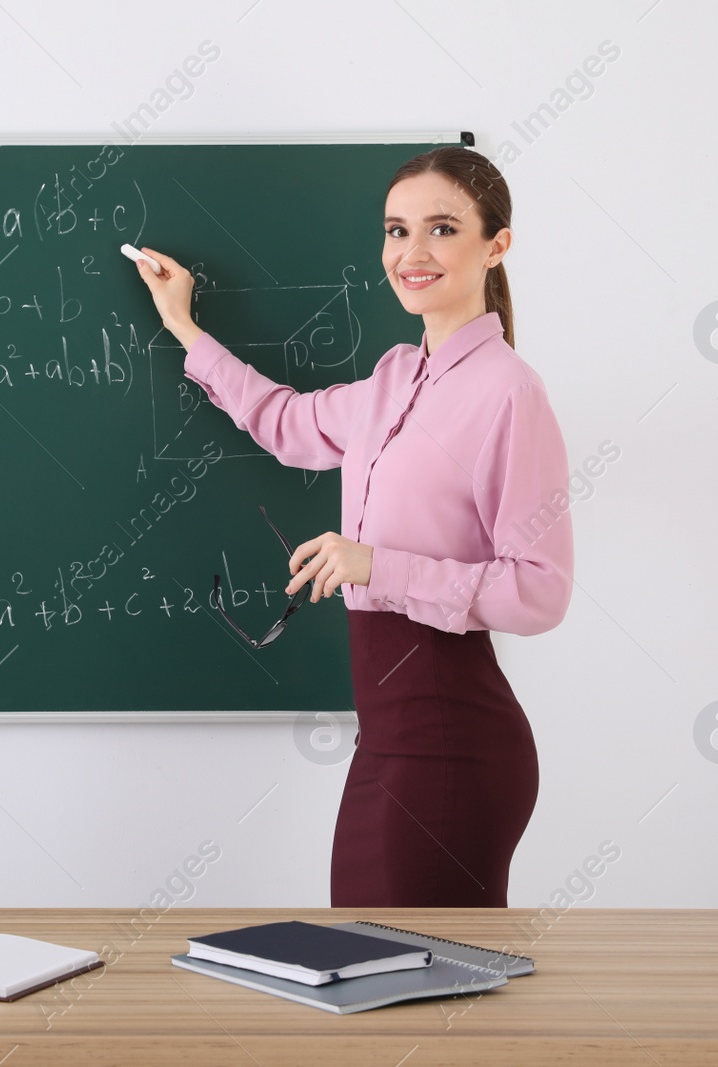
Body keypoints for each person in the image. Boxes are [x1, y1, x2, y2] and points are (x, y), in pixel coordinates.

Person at [132, 146, 574, 907]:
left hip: (456, 743)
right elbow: (283, 422)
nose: (413, 252)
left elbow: (540, 593)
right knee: (369, 977)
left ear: (496, 245)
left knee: (427, 997)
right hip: (387, 740)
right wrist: (184, 326)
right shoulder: (393, 378)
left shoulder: (510, 392)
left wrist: (379, 564)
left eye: (441, 228)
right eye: (396, 230)